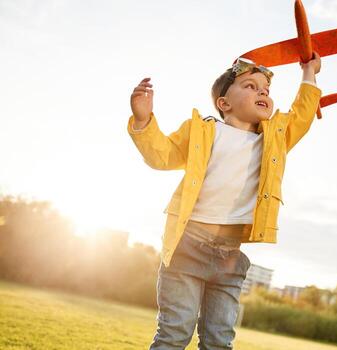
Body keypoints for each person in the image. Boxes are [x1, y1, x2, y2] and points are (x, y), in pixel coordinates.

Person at [128, 51, 322, 349]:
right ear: (224, 103)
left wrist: (309, 73)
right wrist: (143, 121)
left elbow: (302, 114)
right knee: (174, 332)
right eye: (250, 86)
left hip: (230, 257)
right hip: (187, 246)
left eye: (266, 90)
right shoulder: (202, 130)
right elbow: (162, 156)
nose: (262, 93)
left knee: (219, 340)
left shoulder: (274, 139)